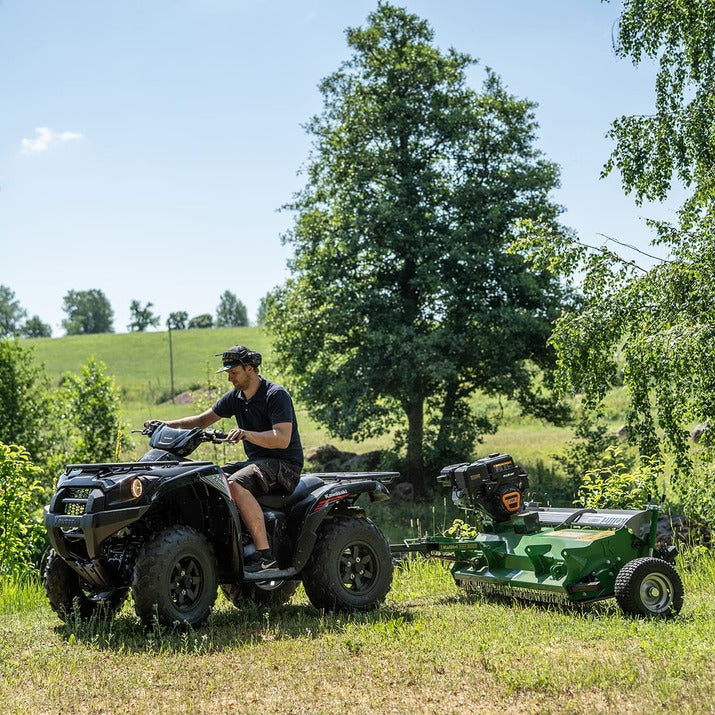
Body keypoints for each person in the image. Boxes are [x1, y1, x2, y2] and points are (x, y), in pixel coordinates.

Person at [146, 345, 303, 572]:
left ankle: (265, 557)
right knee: (210, 478)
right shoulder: (236, 398)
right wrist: (164, 424)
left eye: (233, 372)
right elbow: (201, 420)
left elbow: (282, 439)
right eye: (228, 373)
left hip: (284, 466)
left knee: (236, 483)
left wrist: (247, 434)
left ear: (250, 368)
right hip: (257, 464)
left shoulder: (275, 395)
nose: (230, 378)